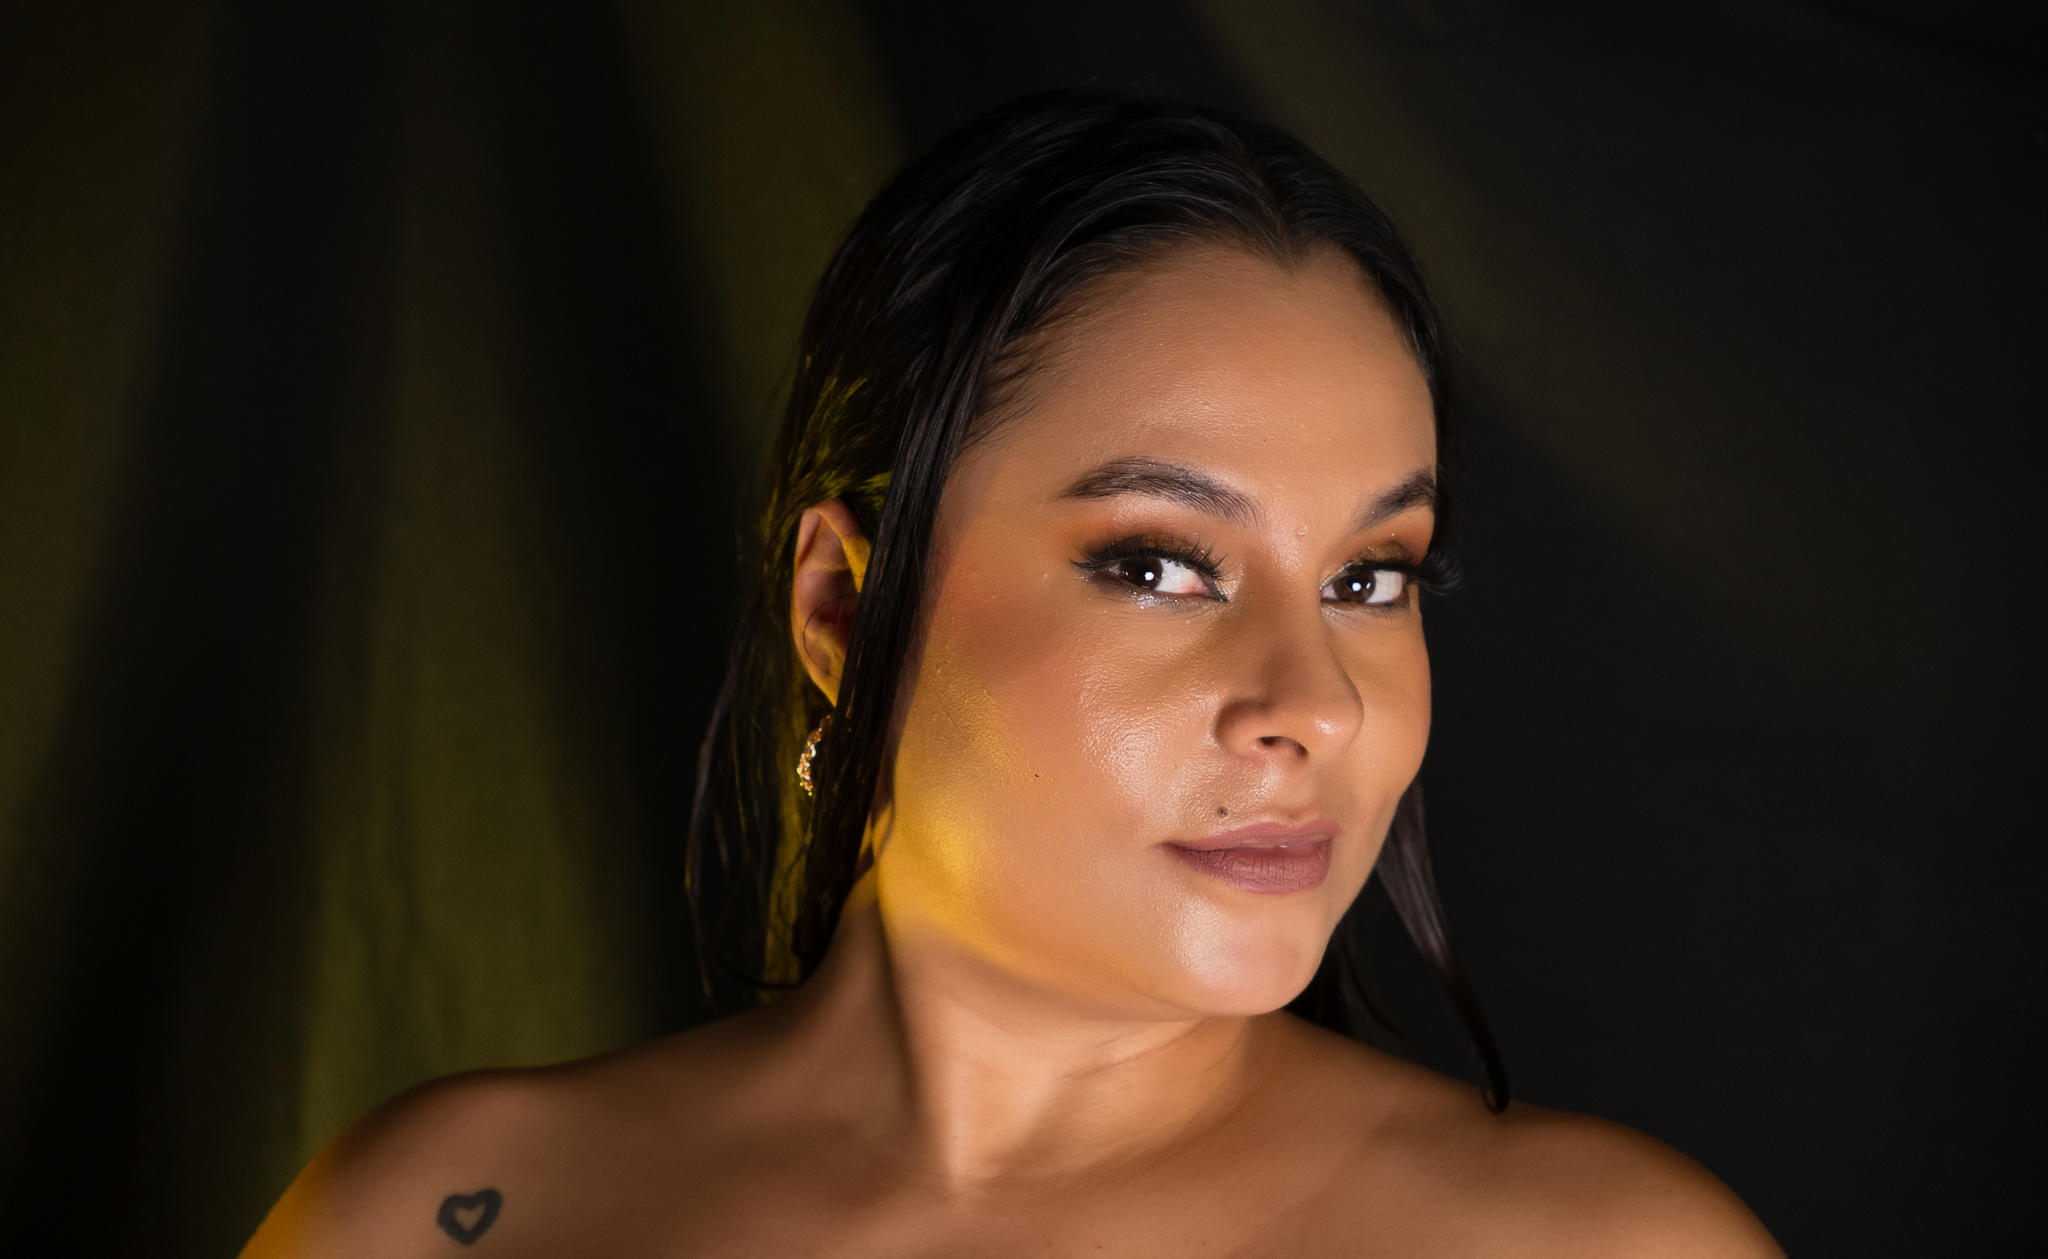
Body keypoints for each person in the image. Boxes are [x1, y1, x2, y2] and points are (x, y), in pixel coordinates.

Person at [243, 91, 1782, 1257]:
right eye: (1161, 564)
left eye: (1369, 578)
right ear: (844, 611)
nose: (1315, 703)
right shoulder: (446, 1214)